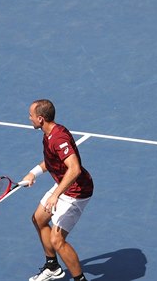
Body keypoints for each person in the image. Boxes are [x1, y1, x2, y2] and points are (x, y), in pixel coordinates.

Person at [22, 99, 94, 281]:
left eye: (30, 115)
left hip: (77, 192)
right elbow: (51, 161)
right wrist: (33, 173)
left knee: (57, 240)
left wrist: (56, 194)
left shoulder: (58, 138)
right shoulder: (49, 134)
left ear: (40, 119)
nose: (28, 118)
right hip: (64, 185)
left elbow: (75, 169)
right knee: (38, 219)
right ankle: (52, 267)